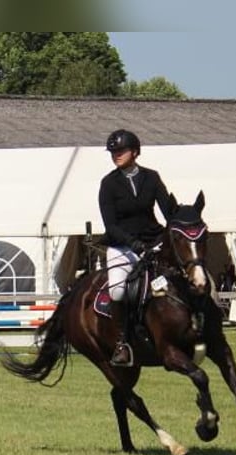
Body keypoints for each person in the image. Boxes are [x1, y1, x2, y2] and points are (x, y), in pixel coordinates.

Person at [98, 129, 173, 366]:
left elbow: (168, 212)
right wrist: (134, 244)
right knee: (118, 292)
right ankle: (122, 342)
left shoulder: (152, 177)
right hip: (122, 246)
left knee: (180, 276)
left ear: (135, 152)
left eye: (120, 151)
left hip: (153, 241)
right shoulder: (108, 184)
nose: (116, 155)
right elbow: (110, 226)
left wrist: (175, 227)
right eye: (113, 152)